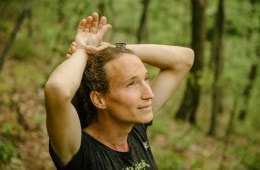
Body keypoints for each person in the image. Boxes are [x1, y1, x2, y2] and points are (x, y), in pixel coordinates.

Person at [44, 12, 194, 170]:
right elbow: (57, 88)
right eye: (132, 84)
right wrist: (83, 50)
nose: (149, 94)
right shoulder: (80, 150)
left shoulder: (135, 128)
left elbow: (184, 59)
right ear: (100, 99)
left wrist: (114, 49)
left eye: (146, 78)